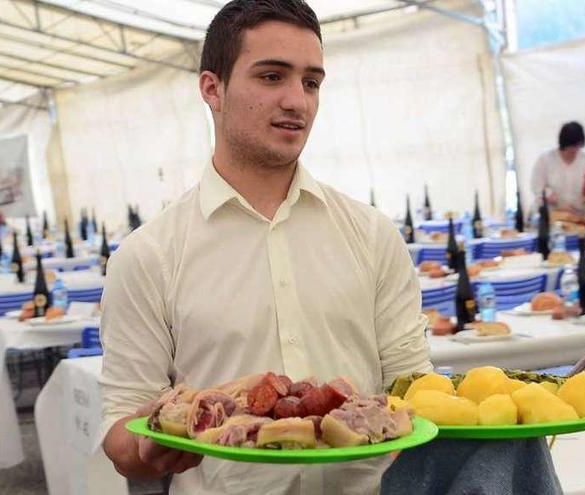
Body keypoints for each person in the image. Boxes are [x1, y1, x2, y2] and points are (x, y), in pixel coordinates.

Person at [99, 1, 433, 493]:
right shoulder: (148, 256)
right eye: (272, 77)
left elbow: (414, 389)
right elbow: (121, 436)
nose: (298, 101)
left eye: (311, 82)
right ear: (212, 88)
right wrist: (150, 444)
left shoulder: (372, 234)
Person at [530, 122, 585, 216]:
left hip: (578, 216)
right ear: (563, 144)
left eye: (578, 146)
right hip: (551, 214)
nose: (575, 150)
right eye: (571, 146)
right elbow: (536, 185)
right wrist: (550, 196)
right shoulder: (545, 160)